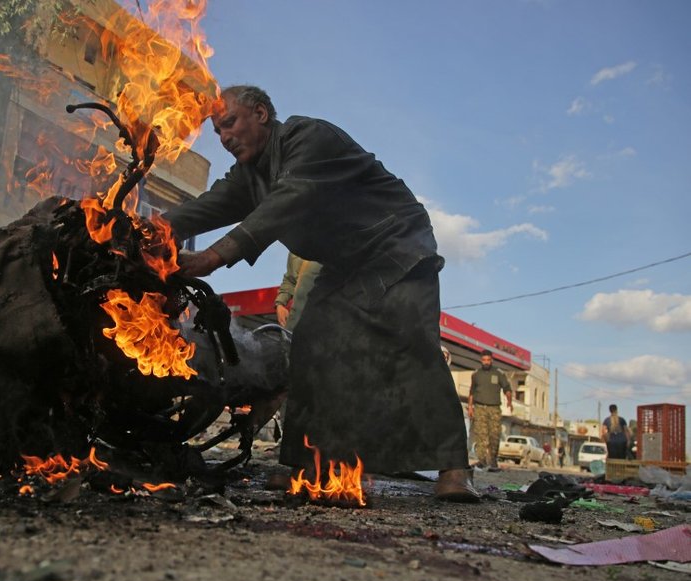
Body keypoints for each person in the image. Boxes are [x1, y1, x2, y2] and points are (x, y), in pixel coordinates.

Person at [164, 85, 478, 502]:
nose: (224, 137)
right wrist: (146, 230)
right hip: (345, 263)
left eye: (229, 123)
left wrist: (214, 256)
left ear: (260, 114)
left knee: (411, 343)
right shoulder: (249, 175)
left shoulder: (309, 138)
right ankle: (303, 462)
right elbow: (207, 207)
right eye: (217, 131)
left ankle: (454, 467)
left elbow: (290, 200)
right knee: (311, 344)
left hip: (396, 242)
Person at [468, 349, 513, 472]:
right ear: (481, 360)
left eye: (488, 360)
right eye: (484, 360)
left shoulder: (498, 374)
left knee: (494, 435)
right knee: (481, 436)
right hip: (479, 408)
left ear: (491, 360)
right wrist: (470, 407)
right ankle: (482, 461)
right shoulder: (476, 374)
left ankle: (493, 460)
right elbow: (471, 392)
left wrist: (510, 401)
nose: (486, 362)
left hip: (494, 409)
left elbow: (507, 388)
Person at [275, 252, 321, 330]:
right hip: (295, 320)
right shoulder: (295, 249)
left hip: (323, 319)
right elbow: (290, 280)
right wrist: (280, 304)